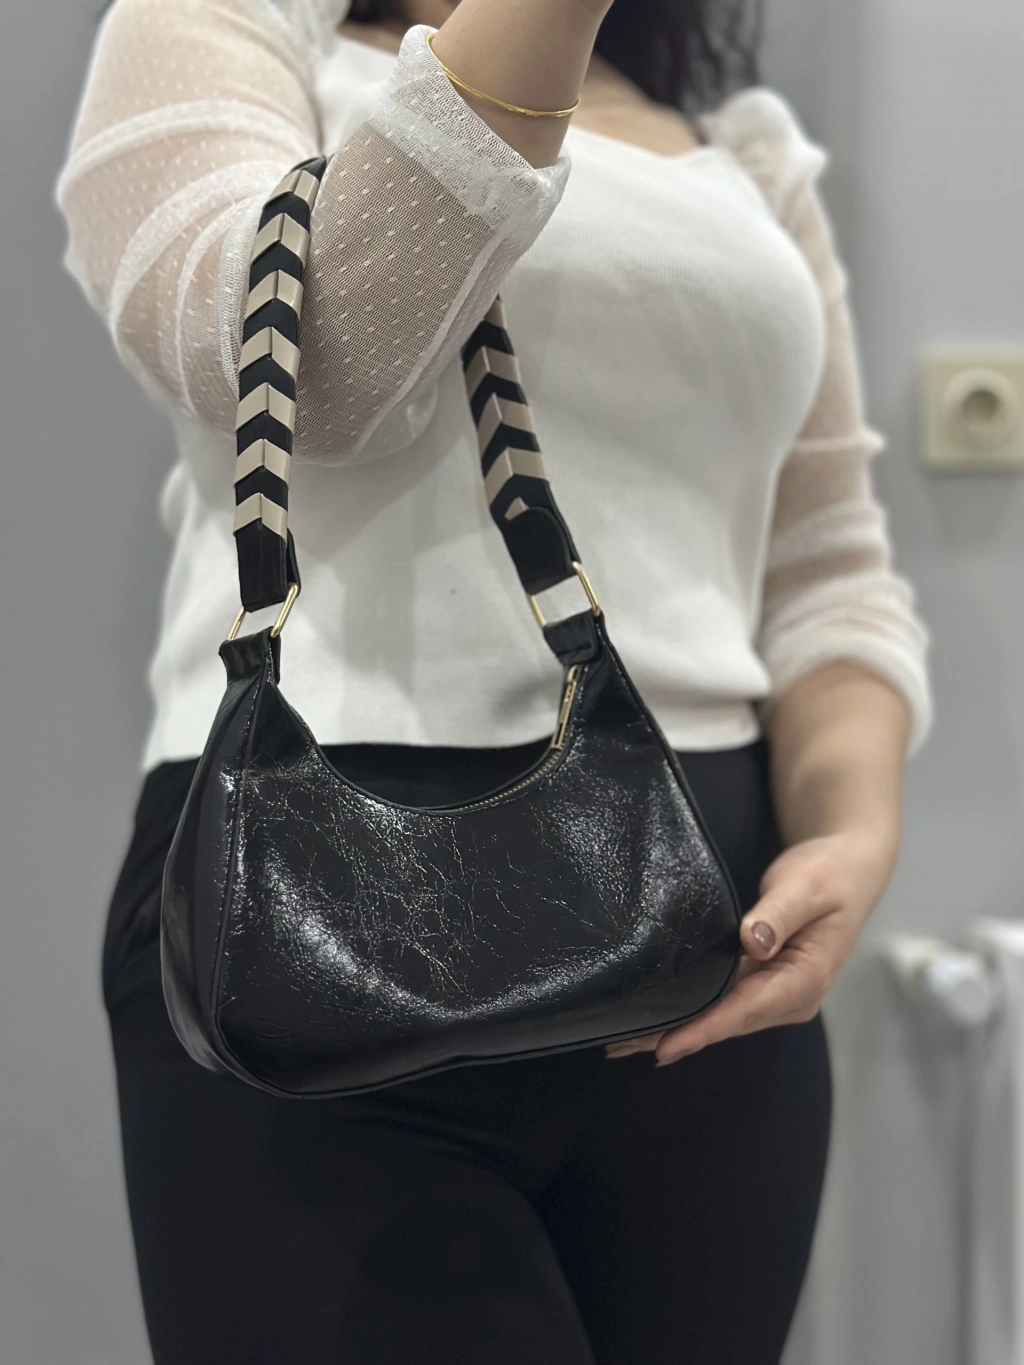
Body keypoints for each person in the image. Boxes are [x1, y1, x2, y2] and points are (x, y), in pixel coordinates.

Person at [57, 0, 931, 1361]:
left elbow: (824, 570)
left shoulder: (737, 148)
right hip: (309, 918)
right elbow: (304, 383)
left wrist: (856, 829)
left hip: (707, 935)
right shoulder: (221, 26)